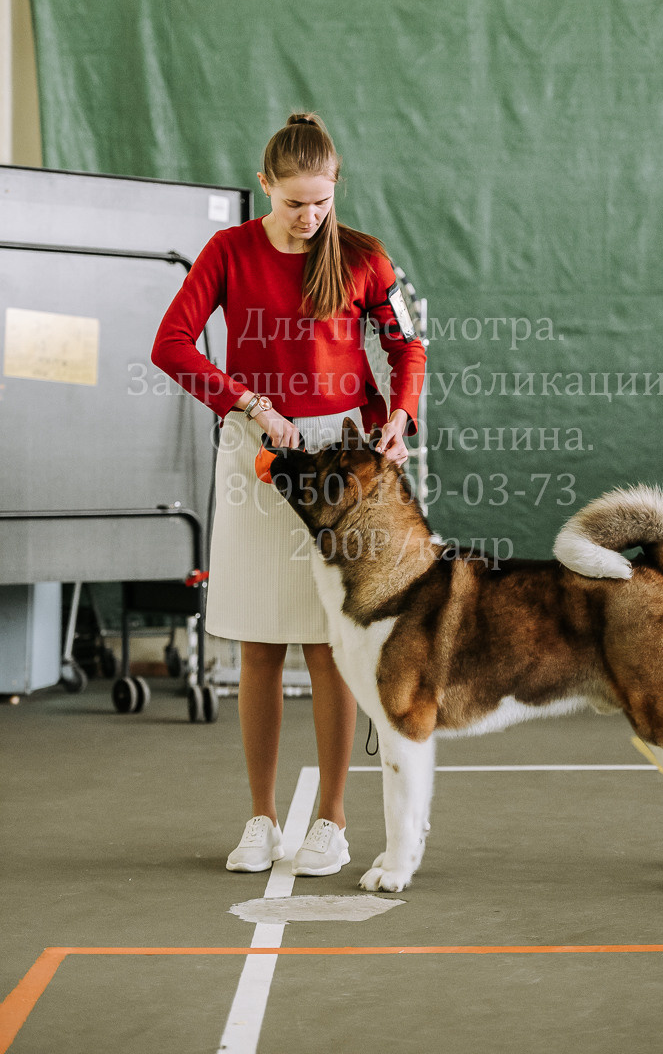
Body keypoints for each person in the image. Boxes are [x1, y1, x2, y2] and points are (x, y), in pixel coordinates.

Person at [152, 113, 426, 876]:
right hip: (255, 449)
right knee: (259, 644)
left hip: (342, 459)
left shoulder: (363, 257)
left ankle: (332, 823)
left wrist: (398, 417)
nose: (309, 217)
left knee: (328, 643)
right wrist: (248, 403)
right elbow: (169, 344)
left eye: (321, 202)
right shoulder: (228, 251)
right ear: (265, 186)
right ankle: (260, 818)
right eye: (293, 202)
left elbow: (405, 345)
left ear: (335, 186)